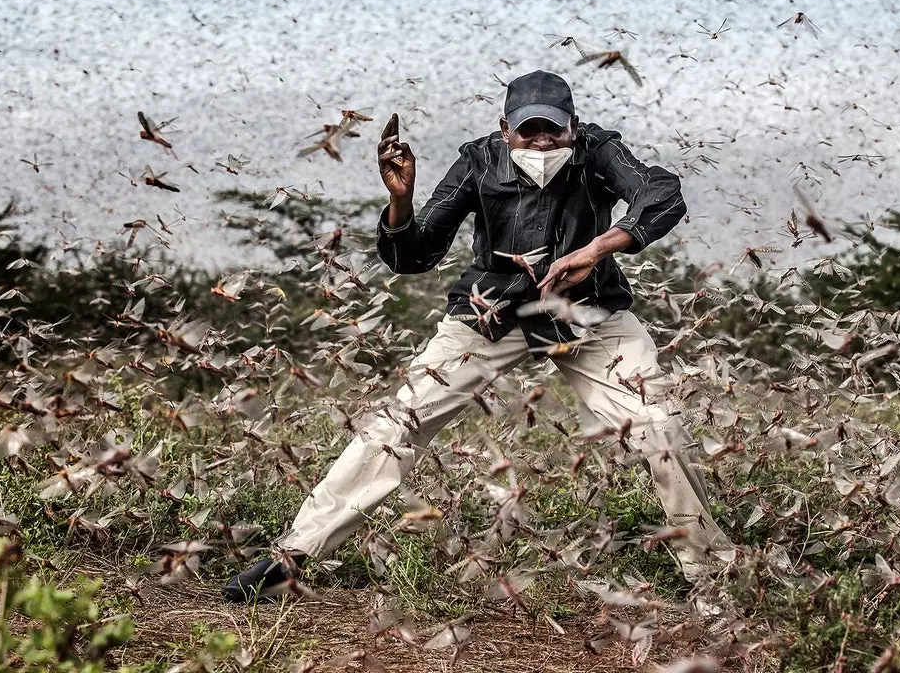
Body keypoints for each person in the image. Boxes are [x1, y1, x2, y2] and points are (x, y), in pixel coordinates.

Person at [223, 70, 734, 603]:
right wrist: (401, 201)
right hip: (492, 311)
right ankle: (294, 555)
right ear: (504, 128)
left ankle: (712, 577)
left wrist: (595, 250)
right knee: (399, 423)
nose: (541, 142)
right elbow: (414, 256)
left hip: (590, 309)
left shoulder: (599, 151)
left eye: (553, 131)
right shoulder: (477, 160)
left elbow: (662, 193)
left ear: (573, 127)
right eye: (527, 131)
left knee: (658, 425)